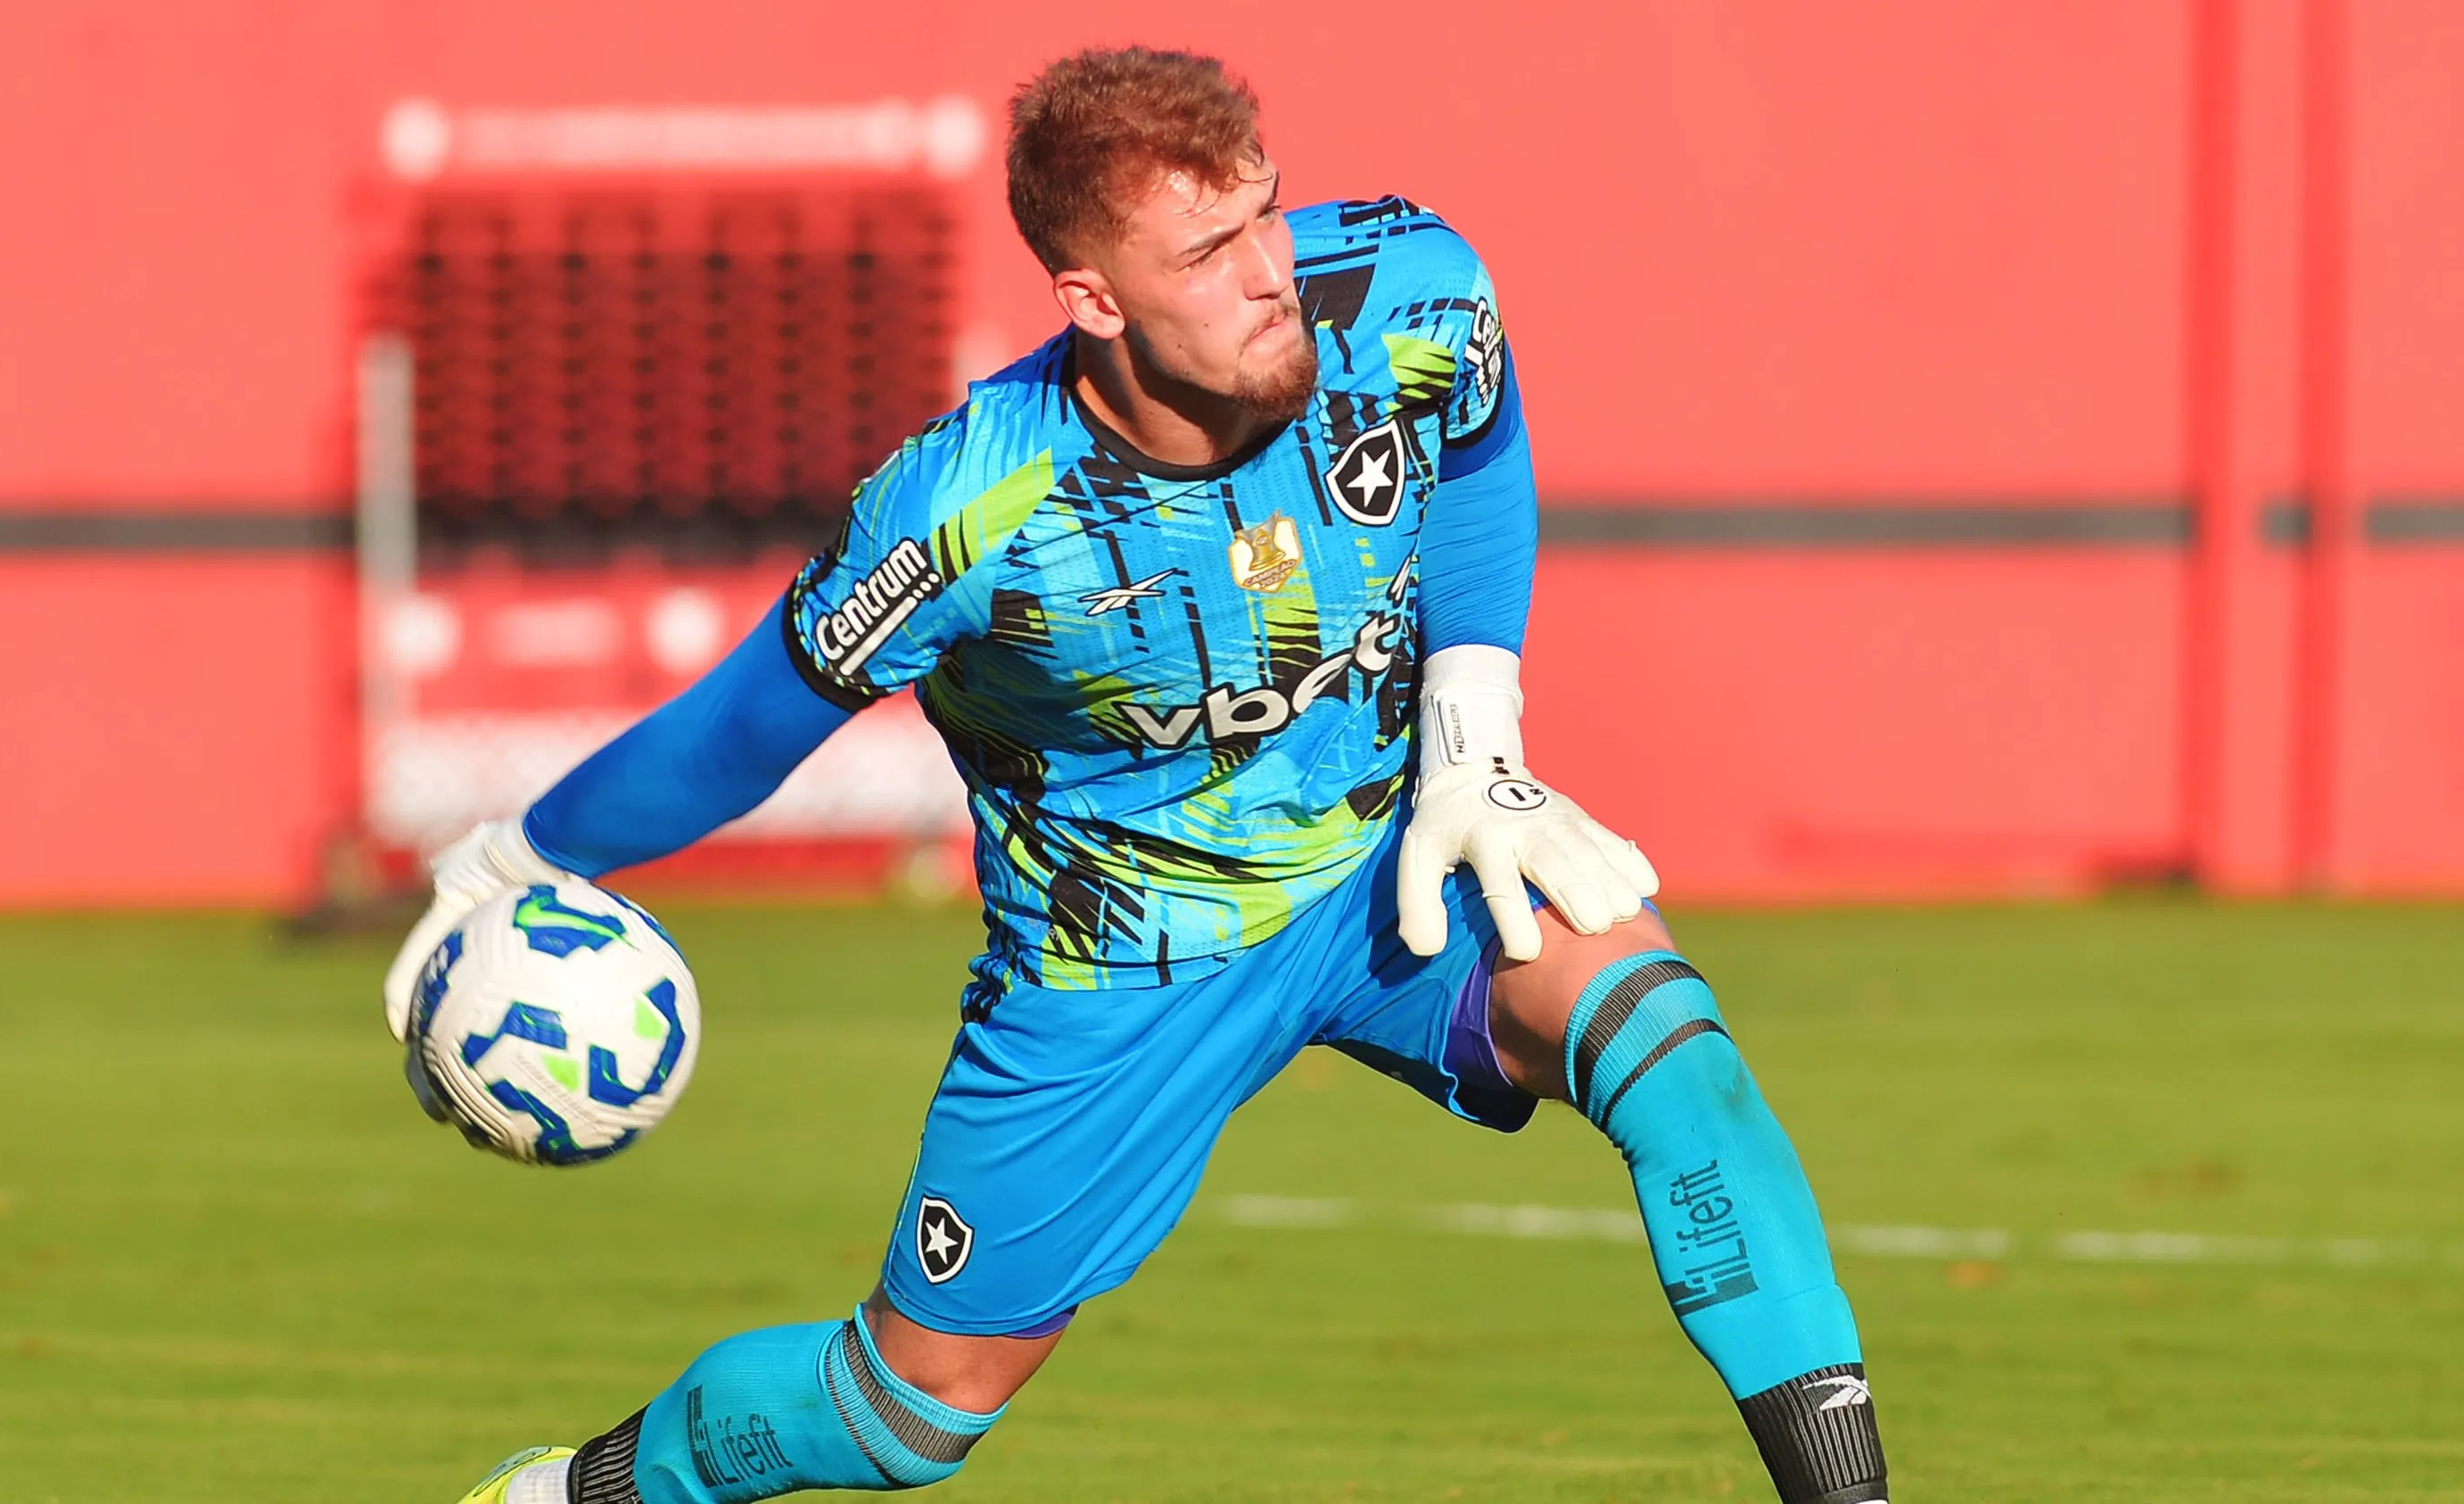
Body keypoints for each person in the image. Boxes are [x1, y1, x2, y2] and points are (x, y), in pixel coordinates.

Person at [386, 45, 1889, 1504]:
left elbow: (1478, 444)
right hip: (1116, 975)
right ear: (1093, 299)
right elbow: (745, 729)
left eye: (1263, 215)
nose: (1266, 274)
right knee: (904, 1415)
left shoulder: (1407, 288)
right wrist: (516, 858)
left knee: (1672, 1050)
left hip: (1389, 861)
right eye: (1208, 254)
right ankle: (574, 1494)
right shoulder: (974, 506)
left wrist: (1474, 728)